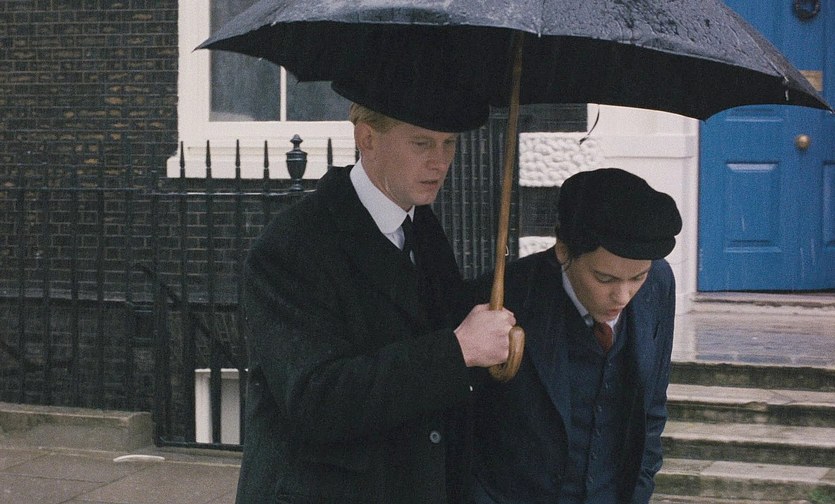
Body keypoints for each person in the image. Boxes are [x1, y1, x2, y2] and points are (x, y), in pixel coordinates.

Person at [234, 78, 516, 503]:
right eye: (422, 144)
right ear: (367, 139)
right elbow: (315, 399)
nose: (440, 162)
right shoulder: (293, 246)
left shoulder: (422, 229)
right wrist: (457, 351)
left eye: (449, 144)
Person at [468, 168, 683, 504]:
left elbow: (652, 408)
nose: (623, 296)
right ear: (563, 250)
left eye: (637, 278)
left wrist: (638, 491)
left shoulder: (659, 282)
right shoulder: (502, 297)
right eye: (605, 278)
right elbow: (465, 432)